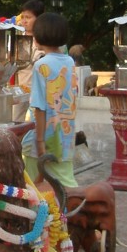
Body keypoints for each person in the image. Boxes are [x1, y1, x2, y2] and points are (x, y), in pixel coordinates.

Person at [20, 12, 78, 188]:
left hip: (41, 138)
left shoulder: (41, 65)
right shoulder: (69, 62)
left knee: (32, 185)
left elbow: (39, 107)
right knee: (65, 182)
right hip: (65, 136)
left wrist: (39, 142)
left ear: (37, 37)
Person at [12, 0, 46, 121]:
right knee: (16, 120)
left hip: (36, 90)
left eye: (28, 17)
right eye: (23, 17)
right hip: (18, 88)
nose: (24, 21)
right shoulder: (18, 39)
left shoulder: (44, 40)